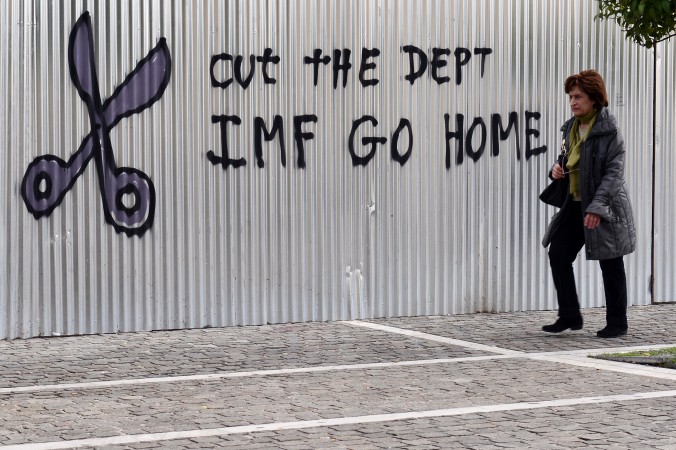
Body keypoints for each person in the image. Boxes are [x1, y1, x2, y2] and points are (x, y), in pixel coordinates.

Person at [542, 70, 636, 338]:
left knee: (610, 262)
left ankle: (617, 322)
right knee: (558, 254)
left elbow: (614, 173)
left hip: (604, 206)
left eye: (578, 96)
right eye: (571, 96)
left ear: (594, 98)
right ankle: (569, 314)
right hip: (574, 204)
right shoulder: (570, 127)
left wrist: (597, 207)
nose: (573, 101)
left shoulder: (609, 131)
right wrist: (555, 170)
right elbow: (567, 161)